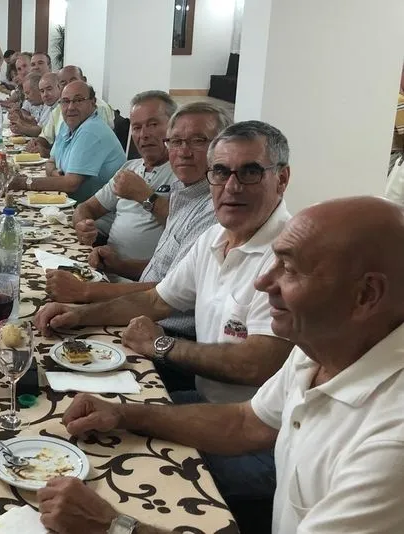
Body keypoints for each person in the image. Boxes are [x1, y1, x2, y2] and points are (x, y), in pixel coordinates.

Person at [39, 196, 404, 534]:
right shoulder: (322, 347)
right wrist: (122, 414)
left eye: (290, 269)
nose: (263, 282)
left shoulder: (391, 443)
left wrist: (112, 526)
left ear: (367, 295)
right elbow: (247, 422)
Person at [36, 120, 297, 502]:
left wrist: (162, 347)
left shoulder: (288, 256)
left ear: (282, 179)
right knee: (72, 427)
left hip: (263, 442)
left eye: (250, 172)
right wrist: (78, 314)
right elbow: (158, 299)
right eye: (221, 172)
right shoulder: (216, 236)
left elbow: (254, 364)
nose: (231, 186)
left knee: (117, 477)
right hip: (213, 409)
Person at [48, 102, 230, 345]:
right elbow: (167, 274)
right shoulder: (182, 191)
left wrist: (86, 294)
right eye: (176, 141)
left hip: (164, 333)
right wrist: (119, 265)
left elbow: (165, 295)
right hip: (138, 306)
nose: (184, 152)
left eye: (198, 140)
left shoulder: (214, 209)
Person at [66, 91, 178, 264]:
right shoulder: (130, 167)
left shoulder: (181, 172)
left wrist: (145, 196)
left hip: (140, 280)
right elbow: (86, 208)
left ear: (173, 127)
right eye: (137, 127)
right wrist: (83, 225)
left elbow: (182, 227)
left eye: (153, 124)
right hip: (105, 264)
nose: (144, 135)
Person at [9, 81, 126, 203]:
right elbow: (51, 161)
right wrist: (54, 172)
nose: (70, 107)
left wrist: (24, 182)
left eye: (78, 100)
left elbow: (70, 184)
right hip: (73, 203)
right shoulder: (67, 125)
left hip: (97, 214)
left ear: (93, 102)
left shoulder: (91, 130)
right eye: (65, 101)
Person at [26, 65, 114, 156]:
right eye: (63, 83)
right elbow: (46, 137)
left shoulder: (97, 107)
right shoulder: (58, 109)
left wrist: (46, 153)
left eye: (73, 80)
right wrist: (36, 144)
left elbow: (87, 152)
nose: (69, 85)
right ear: (59, 87)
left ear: (84, 80)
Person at [9, 73, 52, 137]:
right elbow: (35, 125)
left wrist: (22, 128)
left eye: (28, 93)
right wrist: (20, 118)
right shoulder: (40, 104)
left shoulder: (50, 106)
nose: (26, 97)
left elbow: (40, 131)